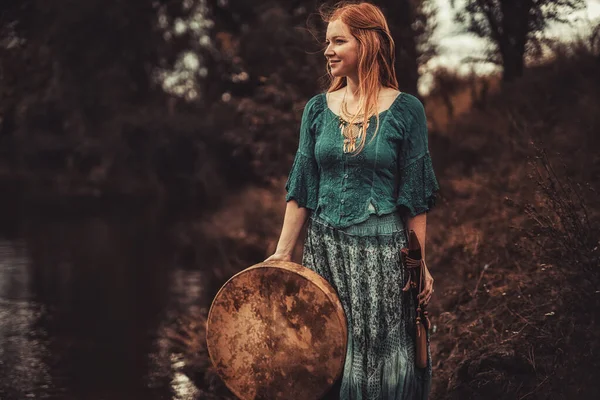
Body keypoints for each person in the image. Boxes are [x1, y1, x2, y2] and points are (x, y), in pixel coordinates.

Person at [265, 2, 439, 399]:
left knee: (376, 359)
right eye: (327, 41)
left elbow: (415, 200)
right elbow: (302, 190)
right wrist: (281, 254)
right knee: (325, 354)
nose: (327, 50)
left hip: (383, 258)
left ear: (368, 42)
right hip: (324, 253)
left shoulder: (407, 110)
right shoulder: (315, 110)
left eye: (338, 40)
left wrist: (420, 265)